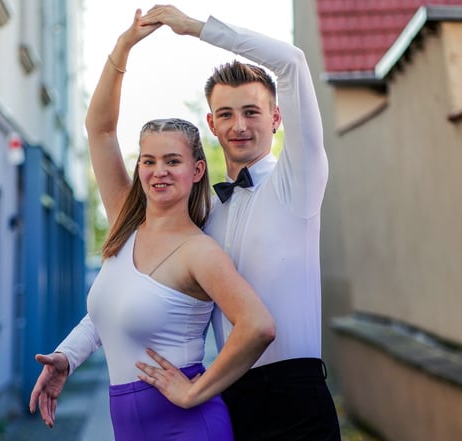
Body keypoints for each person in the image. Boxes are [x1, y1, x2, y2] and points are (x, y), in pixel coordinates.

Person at [28, 9, 275, 441]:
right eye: (149, 161)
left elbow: (258, 326)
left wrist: (196, 390)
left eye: (173, 161)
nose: (158, 171)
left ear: (198, 170)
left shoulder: (200, 250)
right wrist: (67, 357)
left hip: (190, 427)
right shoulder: (127, 223)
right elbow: (99, 129)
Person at [133, 6, 342, 440]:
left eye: (252, 112)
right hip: (230, 398)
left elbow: (293, 61)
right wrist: (72, 353)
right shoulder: (204, 211)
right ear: (211, 124)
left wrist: (193, 27)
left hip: (297, 399)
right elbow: (137, 274)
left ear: (276, 119)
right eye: (226, 114)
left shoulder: (298, 182)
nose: (239, 125)